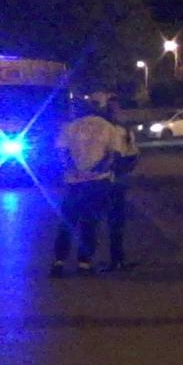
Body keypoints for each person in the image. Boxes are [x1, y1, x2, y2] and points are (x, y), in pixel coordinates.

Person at [52, 93, 125, 278]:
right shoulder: (109, 128)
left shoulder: (71, 127)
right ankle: (84, 263)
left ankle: (59, 261)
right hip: (97, 181)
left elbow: (62, 153)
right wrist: (96, 171)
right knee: (89, 222)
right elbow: (113, 156)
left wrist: (74, 170)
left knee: (67, 221)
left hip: (74, 181)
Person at [103, 98, 141, 271]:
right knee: (113, 220)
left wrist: (121, 170)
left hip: (113, 178)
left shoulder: (121, 130)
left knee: (115, 220)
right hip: (108, 178)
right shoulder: (110, 129)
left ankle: (116, 259)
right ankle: (114, 259)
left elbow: (132, 154)